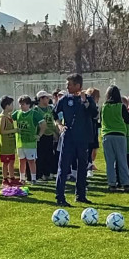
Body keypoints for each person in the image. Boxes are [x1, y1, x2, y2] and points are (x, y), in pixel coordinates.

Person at [54, 73, 97, 207]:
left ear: (78, 85)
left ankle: (80, 195)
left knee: (82, 167)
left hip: (83, 138)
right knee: (63, 166)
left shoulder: (88, 98)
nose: (67, 87)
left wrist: (85, 101)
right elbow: (54, 113)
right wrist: (60, 125)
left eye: (69, 84)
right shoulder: (64, 99)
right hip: (68, 137)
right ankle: (60, 197)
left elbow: (94, 114)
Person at [100, 85, 129, 192]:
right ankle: (126, 184)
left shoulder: (104, 107)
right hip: (119, 135)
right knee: (122, 160)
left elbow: (101, 120)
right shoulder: (121, 106)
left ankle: (112, 184)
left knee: (110, 162)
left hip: (107, 135)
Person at [13, 95, 44, 185]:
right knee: (21, 160)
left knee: (31, 161)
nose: (21, 106)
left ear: (28, 104)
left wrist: (39, 135)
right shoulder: (17, 113)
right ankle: (22, 178)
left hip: (30, 143)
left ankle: (33, 179)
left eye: (23, 104)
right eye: (20, 104)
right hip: (20, 142)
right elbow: (10, 118)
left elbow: (43, 124)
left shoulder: (34, 114)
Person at [35, 91, 59, 181]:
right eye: (46, 98)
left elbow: (53, 122)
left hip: (50, 134)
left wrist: (55, 133)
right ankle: (39, 174)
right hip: (41, 135)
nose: (48, 99)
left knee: (49, 155)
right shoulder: (36, 110)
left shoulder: (50, 109)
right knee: (40, 155)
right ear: (41, 99)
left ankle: (47, 173)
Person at [0, 96, 18, 186]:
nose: (13, 106)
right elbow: (1, 131)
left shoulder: (9, 116)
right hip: (5, 144)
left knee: (12, 161)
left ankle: (12, 177)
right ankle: (5, 179)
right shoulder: (3, 117)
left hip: (11, 144)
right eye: (11, 104)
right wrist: (14, 130)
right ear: (7, 105)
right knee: (5, 162)